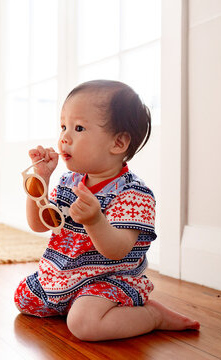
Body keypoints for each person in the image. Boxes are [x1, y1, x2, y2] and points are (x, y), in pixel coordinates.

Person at [14, 80, 200, 341]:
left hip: (109, 280)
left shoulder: (133, 194)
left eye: (78, 128)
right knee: (24, 298)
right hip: (66, 275)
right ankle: (73, 301)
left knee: (84, 325)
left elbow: (117, 249)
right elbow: (40, 224)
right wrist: (40, 183)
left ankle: (152, 316)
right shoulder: (69, 182)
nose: (64, 137)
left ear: (118, 142)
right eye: (63, 126)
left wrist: (94, 220)